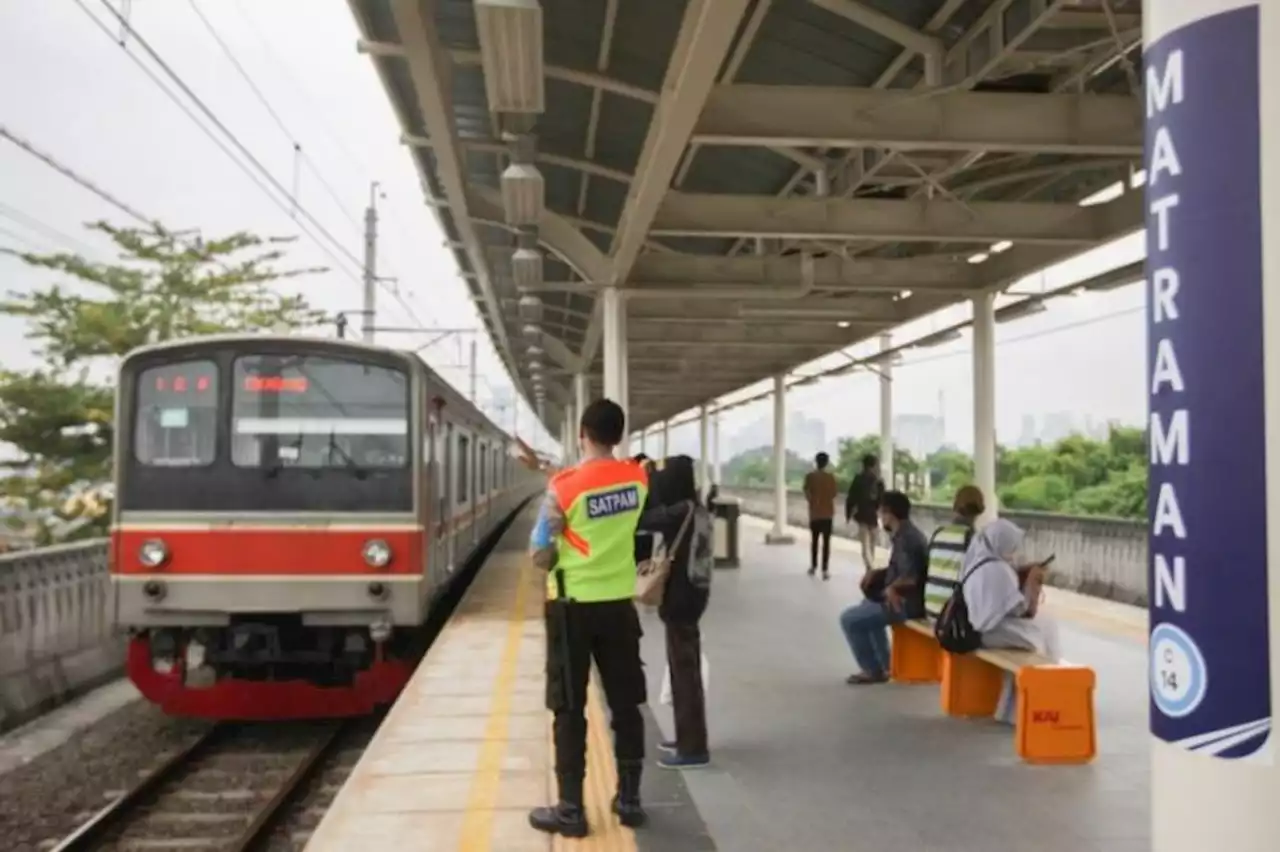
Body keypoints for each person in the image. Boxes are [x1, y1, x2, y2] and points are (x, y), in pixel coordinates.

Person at [527, 399, 652, 838]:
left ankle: (571, 809)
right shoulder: (637, 479)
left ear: (583, 432)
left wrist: (561, 544)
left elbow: (540, 553)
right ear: (618, 436)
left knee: (569, 706)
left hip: (572, 608)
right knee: (625, 702)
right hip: (619, 607)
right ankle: (631, 800)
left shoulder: (564, 487)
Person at [959, 518, 1061, 723]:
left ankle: (1009, 709)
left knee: (1039, 632)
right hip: (991, 633)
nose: (1014, 551)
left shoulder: (977, 559)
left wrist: (1021, 572)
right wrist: (1033, 583)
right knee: (1044, 633)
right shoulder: (998, 570)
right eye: (1012, 546)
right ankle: (1045, 696)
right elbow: (1025, 611)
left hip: (977, 629)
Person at [646, 456, 712, 770]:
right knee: (684, 670)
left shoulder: (679, 511)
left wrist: (647, 481)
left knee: (684, 674)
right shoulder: (696, 508)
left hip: (681, 598)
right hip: (695, 594)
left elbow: (643, 518)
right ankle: (687, 737)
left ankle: (692, 747)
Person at [838, 490, 929, 685]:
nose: (880, 518)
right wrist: (877, 573)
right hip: (907, 598)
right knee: (866, 606)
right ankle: (885, 665)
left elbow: (911, 577)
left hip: (906, 603)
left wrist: (892, 589)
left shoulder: (906, 539)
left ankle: (872, 670)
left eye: (881, 513)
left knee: (850, 619)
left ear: (889, 513)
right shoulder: (905, 534)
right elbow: (905, 568)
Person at [923, 485, 985, 617]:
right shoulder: (973, 539)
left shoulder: (938, 534)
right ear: (979, 511)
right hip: (951, 618)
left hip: (931, 610)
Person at [844, 454, 884, 573]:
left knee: (865, 545)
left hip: (861, 515)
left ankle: (869, 567)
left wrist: (848, 514)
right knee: (872, 544)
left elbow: (851, 498)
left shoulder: (858, 479)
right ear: (874, 465)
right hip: (873, 516)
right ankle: (870, 567)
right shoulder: (878, 481)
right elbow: (882, 500)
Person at [802, 452, 839, 579]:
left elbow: (806, 492)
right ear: (827, 463)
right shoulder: (831, 478)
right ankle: (825, 569)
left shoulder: (810, 477)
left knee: (815, 541)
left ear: (816, 462)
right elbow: (834, 494)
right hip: (828, 514)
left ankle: (813, 566)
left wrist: (813, 502)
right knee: (826, 542)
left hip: (815, 514)